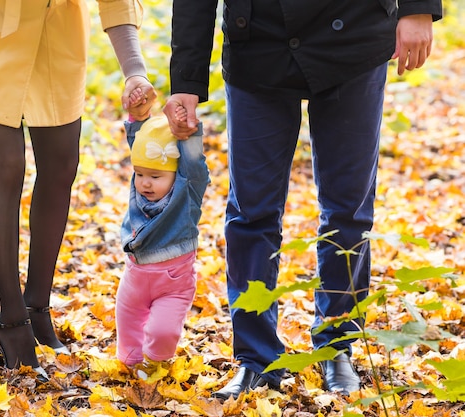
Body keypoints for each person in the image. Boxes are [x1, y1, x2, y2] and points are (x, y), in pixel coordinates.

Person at [163, 0, 442, 399]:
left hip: (355, 33)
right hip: (257, 41)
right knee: (251, 213)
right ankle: (255, 358)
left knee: (348, 211)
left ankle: (337, 344)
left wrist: (418, 8)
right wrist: (186, 80)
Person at [0, 0, 157, 382]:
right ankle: (11, 319)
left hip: (56, 36)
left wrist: (134, 72)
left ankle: (37, 308)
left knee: (61, 166)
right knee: (7, 166)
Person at [116, 113, 209, 369]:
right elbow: (141, 144)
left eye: (156, 177)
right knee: (128, 331)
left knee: (163, 332)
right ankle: (133, 367)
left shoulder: (187, 190)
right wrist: (137, 116)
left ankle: (156, 365)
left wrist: (187, 130)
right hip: (134, 278)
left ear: (176, 174)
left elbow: (194, 163)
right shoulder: (141, 186)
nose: (145, 183)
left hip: (172, 282)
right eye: (139, 174)